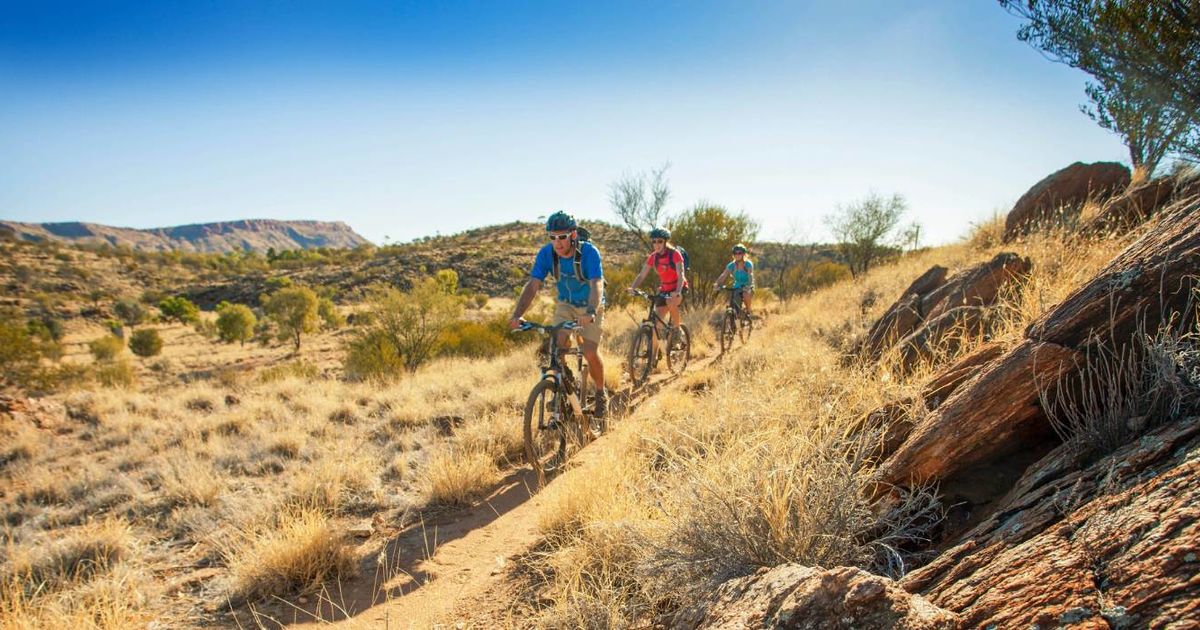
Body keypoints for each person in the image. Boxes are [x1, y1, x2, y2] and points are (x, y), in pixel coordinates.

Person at [509, 211, 608, 418]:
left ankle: (600, 393)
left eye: (562, 237)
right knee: (556, 345)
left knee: (589, 351)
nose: (557, 242)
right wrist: (517, 315)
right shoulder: (547, 254)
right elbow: (533, 285)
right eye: (552, 237)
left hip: (591, 304)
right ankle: (563, 383)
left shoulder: (588, 252)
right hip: (566, 305)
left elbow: (596, 284)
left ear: (573, 235)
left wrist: (590, 312)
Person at [628, 227, 687, 351]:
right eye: (654, 241)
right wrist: (633, 287)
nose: (656, 244)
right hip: (664, 288)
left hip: (678, 286)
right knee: (656, 325)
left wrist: (677, 292)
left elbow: (681, 274)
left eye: (659, 241)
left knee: (671, 302)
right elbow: (642, 275)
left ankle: (677, 330)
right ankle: (653, 356)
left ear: (665, 241)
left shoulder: (675, 254)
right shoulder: (653, 257)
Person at [712, 243, 755, 315]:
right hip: (737, 286)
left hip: (748, 285)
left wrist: (748, 286)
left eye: (739, 253)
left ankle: (748, 310)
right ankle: (735, 318)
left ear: (743, 254)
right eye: (735, 253)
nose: (737, 255)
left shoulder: (748, 264)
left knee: (745, 294)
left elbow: (750, 275)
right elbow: (723, 275)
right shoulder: (731, 265)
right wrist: (717, 284)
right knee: (734, 302)